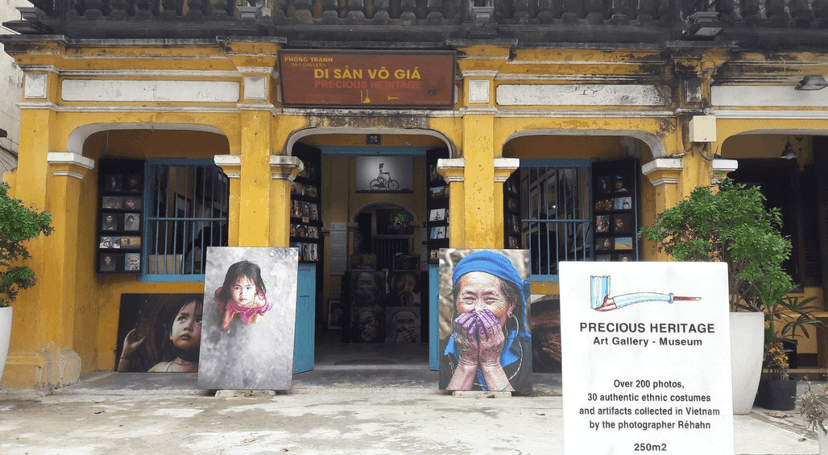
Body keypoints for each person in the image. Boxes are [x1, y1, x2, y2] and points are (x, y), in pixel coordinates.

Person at [440, 250, 531, 392]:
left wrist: (491, 364)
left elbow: (514, 411)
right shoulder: (440, 352)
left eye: (490, 299)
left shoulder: (530, 354)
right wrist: (467, 362)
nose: (478, 309)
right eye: (469, 298)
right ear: (456, 305)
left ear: (510, 306)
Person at [118, 296, 203, 373]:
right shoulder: (160, 368)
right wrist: (125, 357)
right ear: (170, 334)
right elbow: (123, 387)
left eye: (199, 321)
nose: (188, 326)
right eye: (182, 318)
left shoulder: (208, 371)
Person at [215, 260, 272, 333]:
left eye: (248, 288)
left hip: (249, 310)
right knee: (223, 310)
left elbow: (263, 309)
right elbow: (227, 315)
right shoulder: (230, 300)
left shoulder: (258, 300)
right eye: (237, 288)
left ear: (256, 289)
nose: (243, 294)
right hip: (232, 308)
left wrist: (262, 312)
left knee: (249, 320)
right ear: (229, 287)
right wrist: (224, 325)